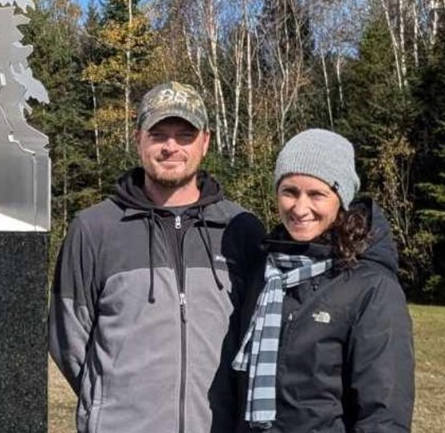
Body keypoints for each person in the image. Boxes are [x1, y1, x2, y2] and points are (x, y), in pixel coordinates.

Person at [49, 81, 266, 432]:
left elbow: (257, 338)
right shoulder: (94, 229)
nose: (171, 147)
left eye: (184, 135)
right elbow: (68, 342)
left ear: (205, 142)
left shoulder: (241, 230)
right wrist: (108, 405)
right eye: (158, 134)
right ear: (138, 139)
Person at [232, 128, 415, 432]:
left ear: (340, 199)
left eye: (317, 194)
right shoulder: (265, 274)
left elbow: (384, 413)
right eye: (289, 191)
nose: (300, 208)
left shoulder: (371, 286)